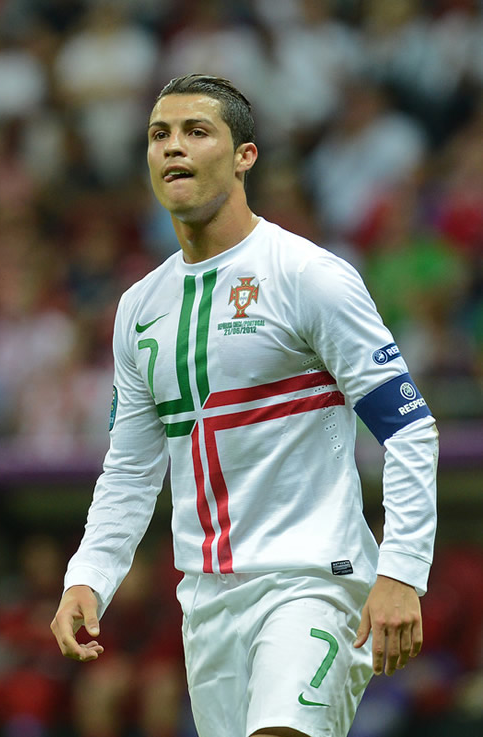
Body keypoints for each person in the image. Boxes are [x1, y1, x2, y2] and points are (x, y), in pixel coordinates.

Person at [51, 74, 438, 737]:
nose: (174, 147)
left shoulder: (307, 275)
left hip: (314, 579)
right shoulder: (139, 309)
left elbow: (409, 429)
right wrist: (88, 574)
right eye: (159, 135)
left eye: (197, 132)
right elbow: (130, 469)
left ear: (244, 156)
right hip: (205, 600)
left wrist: (402, 570)